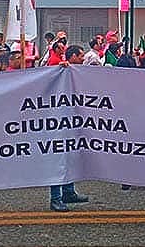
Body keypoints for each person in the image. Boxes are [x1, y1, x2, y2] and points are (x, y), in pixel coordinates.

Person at [48, 44, 90, 212]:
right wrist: (60, 67)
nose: (83, 59)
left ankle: (68, 192)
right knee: (58, 160)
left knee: (70, 157)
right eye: (80, 56)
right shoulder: (59, 69)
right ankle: (55, 198)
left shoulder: (77, 72)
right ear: (71, 57)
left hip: (72, 121)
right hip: (58, 122)